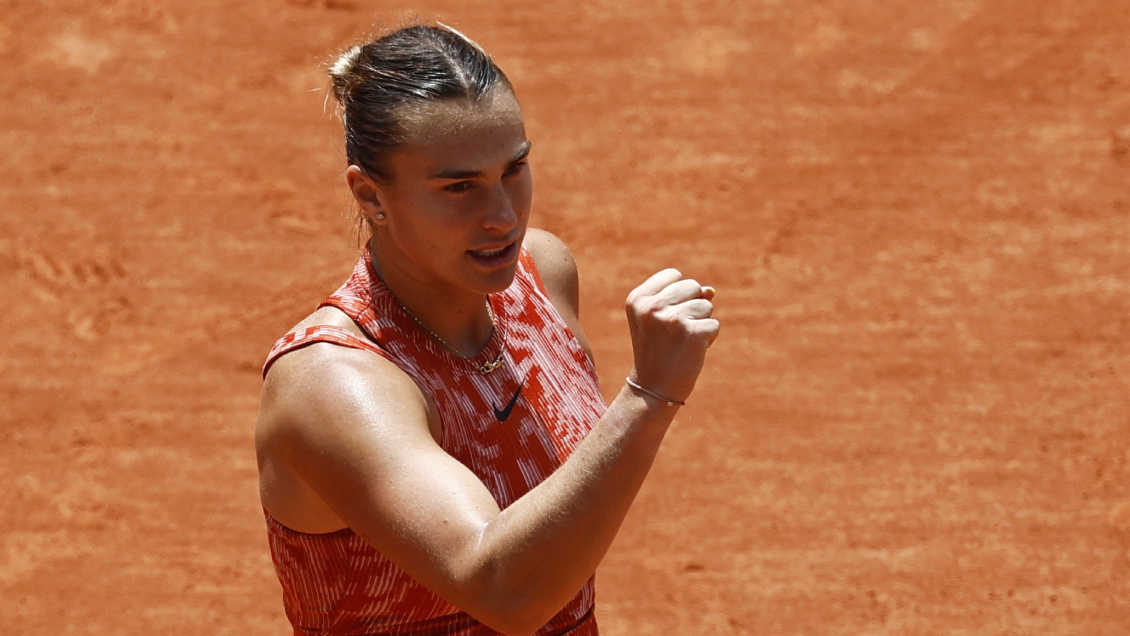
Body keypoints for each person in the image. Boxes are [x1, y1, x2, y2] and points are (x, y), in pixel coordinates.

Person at [255, 23, 720, 636]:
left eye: (513, 170)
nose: (502, 216)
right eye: (459, 187)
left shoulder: (541, 277)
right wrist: (648, 398)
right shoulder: (335, 383)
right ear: (371, 196)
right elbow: (503, 591)